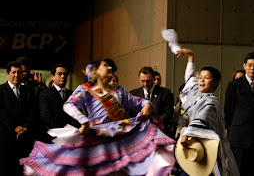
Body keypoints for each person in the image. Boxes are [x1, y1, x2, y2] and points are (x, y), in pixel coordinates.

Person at [20, 60, 176, 175]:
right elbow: (69, 105)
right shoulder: (87, 90)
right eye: (104, 65)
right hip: (97, 137)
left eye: (110, 67)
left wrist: (147, 105)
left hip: (118, 137)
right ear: (95, 73)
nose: (109, 68)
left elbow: (138, 102)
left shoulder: (119, 91)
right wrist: (83, 121)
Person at [176, 48, 239, 175]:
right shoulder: (196, 94)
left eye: (207, 78)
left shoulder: (211, 101)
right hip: (194, 145)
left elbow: (202, 117)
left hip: (207, 145)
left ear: (216, 82)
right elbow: (190, 78)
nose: (201, 80)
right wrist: (191, 56)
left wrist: (187, 134)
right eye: (201, 78)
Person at [224, 52, 254, 176]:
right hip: (238, 138)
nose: (252, 68)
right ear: (244, 66)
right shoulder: (234, 85)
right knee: (238, 171)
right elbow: (228, 110)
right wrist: (231, 130)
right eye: (249, 65)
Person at [0, 61, 36, 176]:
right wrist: (14, 127)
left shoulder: (29, 92)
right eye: (13, 72)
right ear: (7, 74)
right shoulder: (0, 90)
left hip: (25, 140)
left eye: (19, 72)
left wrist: (25, 128)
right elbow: (1, 113)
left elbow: (32, 113)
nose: (16, 75)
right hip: (5, 141)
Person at [38, 64, 80, 143]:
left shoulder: (72, 94)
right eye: (59, 74)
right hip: (53, 136)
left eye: (65, 74)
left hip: (71, 136)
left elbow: (77, 115)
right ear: (52, 76)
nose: (63, 76)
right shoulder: (45, 94)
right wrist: (65, 130)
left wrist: (71, 130)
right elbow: (47, 117)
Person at [129, 66, 174, 135]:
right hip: (138, 133)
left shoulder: (165, 93)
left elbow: (168, 114)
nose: (145, 84)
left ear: (153, 79)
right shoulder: (133, 94)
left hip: (159, 132)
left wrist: (154, 122)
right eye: (142, 81)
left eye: (148, 81)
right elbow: (130, 114)